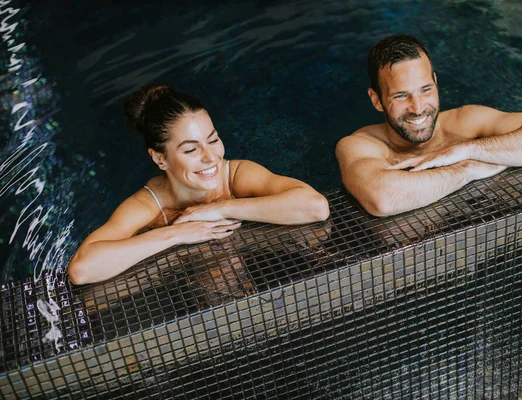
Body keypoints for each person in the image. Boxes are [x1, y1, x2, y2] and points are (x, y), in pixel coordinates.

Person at [68, 84, 330, 285]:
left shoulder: (236, 175)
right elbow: (82, 269)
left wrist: (219, 209)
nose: (210, 157)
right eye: (191, 149)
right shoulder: (148, 206)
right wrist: (177, 234)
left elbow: (316, 207)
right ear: (160, 158)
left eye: (213, 140)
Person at [335, 34, 522, 217]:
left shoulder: (466, 121)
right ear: (376, 99)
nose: (417, 107)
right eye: (400, 96)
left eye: (426, 90)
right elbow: (383, 198)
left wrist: (465, 149)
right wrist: (467, 169)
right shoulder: (359, 145)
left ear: (436, 82)